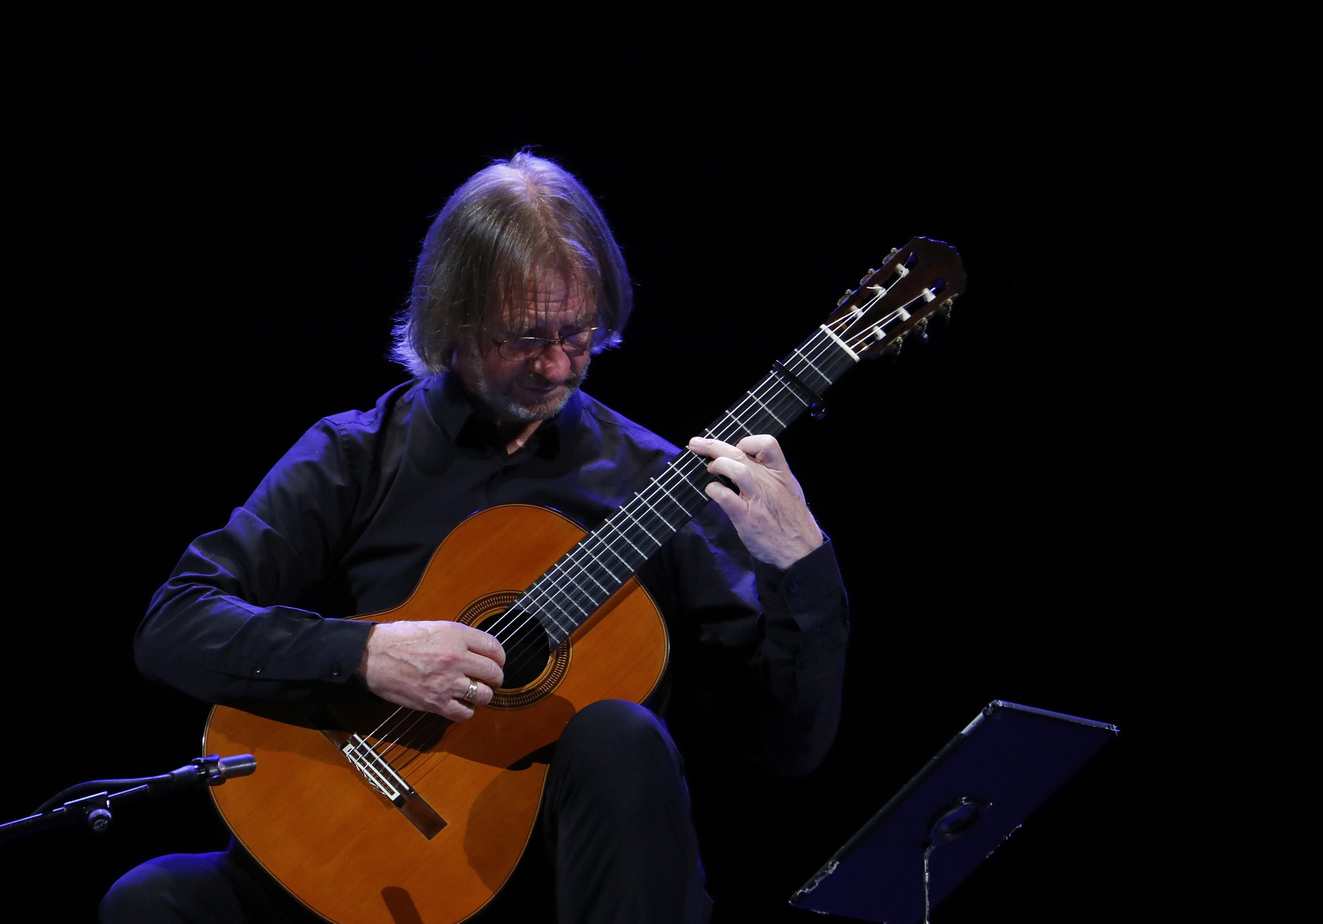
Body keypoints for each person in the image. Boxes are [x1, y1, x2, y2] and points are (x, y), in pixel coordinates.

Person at [101, 152, 849, 923]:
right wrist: (366, 655)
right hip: (349, 842)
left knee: (620, 732)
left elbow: (789, 744)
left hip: (552, 881)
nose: (556, 364)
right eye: (522, 337)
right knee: (151, 900)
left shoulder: (658, 484)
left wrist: (802, 565)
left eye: (578, 332)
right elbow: (174, 625)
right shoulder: (358, 454)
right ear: (451, 319)